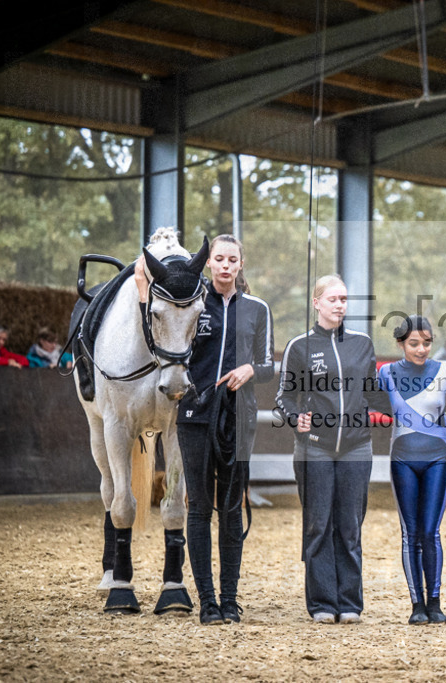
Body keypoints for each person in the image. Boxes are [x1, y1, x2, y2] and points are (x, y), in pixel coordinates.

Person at [168, 234, 273, 625]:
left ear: (240, 264)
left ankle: (230, 599)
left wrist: (249, 370)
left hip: (238, 420)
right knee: (199, 506)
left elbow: (268, 366)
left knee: (231, 509)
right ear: (209, 263)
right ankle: (207, 601)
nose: (226, 265)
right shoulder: (192, 304)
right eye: (219, 259)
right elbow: (174, 351)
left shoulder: (258, 309)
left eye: (233, 259)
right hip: (196, 416)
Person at [276, 274, 391, 625]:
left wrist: (404, 404)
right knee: (318, 525)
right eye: (333, 299)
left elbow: (373, 393)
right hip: (315, 449)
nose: (340, 305)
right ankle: (323, 602)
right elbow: (285, 398)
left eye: (344, 299)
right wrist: (296, 418)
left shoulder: (362, 343)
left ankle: (349, 602)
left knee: (350, 525)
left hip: (356, 447)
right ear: (317, 303)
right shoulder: (300, 346)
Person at [378, 315, 446, 625]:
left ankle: (435, 601)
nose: (422, 349)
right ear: (400, 344)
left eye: (427, 343)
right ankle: (416, 603)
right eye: (414, 344)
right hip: (402, 459)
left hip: (437, 458)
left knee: (430, 531)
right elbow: (367, 400)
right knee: (410, 533)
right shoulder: (386, 373)